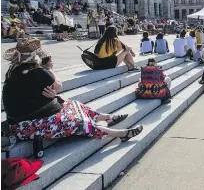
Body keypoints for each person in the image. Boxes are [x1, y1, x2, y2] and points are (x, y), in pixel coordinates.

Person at [2, 39, 143, 142]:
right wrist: (50, 69)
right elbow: (58, 85)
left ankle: (107, 118)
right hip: (26, 126)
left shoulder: (14, 69)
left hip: (21, 120)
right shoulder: (37, 70)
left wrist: (51, 96)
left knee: (72, 103)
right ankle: (120, 134)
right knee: (77, 122)